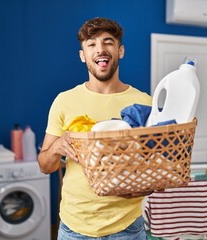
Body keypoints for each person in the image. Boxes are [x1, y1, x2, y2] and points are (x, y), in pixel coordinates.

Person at [38, 17, 152, 239]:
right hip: (75, 228)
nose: (100, 49)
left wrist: (145, 187)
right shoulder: (64, 101)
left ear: (121, 51)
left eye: (108, 42)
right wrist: (56, 148)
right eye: (91, 44)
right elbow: (45, 166)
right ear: (83, 55)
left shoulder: (144, 103)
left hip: (127, 227)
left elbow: (152, 165)